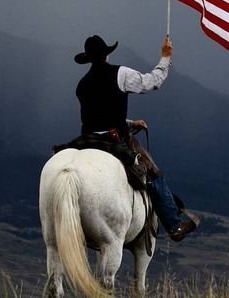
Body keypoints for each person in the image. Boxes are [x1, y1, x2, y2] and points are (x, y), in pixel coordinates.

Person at [74, 34, 197, 242]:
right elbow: (152, 83)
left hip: (86, 140)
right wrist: (165, 58)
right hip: (113, 141)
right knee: (153, 173)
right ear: (107, 55)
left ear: (88, 59)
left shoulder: (82, 84)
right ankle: (174, 224)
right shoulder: (120, 73)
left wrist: (130, 123)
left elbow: (97, 115)